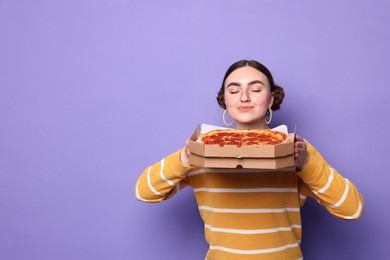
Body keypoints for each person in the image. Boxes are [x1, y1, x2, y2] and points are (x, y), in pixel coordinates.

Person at [135, 59, 364, 259]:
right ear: (224, 99)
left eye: (255, 89)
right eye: (234, 91)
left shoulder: (295, 150)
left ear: (271, 98)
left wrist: (307, 165)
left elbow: (352, 209)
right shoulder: (203, 148)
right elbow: (144, 192)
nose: (244, 97)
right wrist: (183, 159)